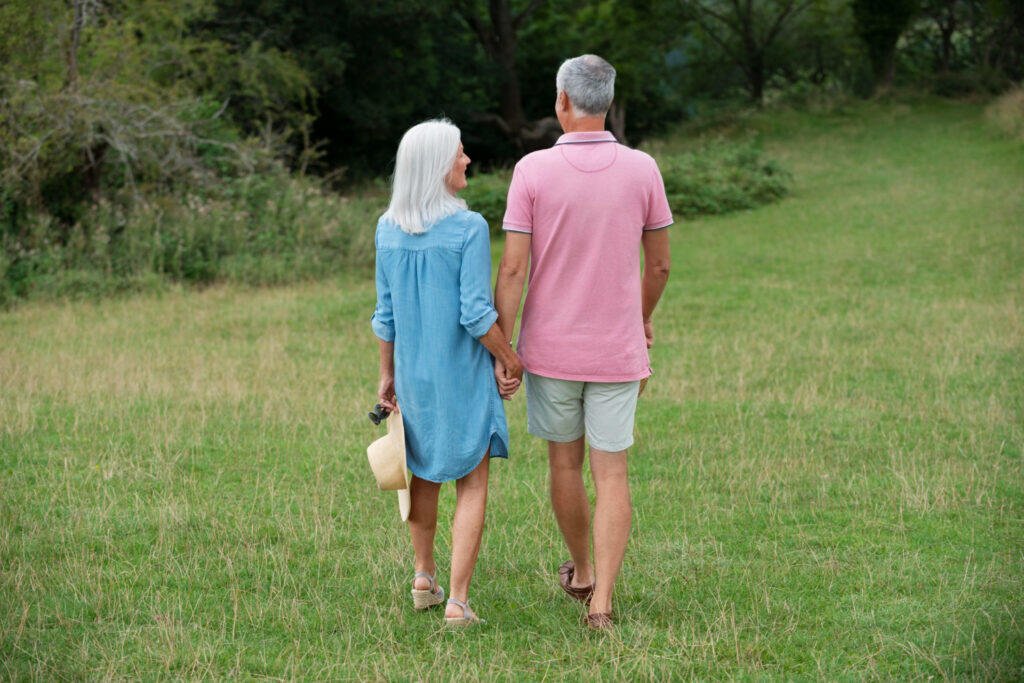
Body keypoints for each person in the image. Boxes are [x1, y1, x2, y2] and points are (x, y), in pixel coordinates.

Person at [493, 55, 672, 630]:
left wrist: (503, 347)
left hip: (551, 350)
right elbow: (661, 267)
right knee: (612, 472)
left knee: (565, 465)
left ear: (562, 101)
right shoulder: (643, 168)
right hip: (619, 351)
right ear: (608, 101)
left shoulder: (532, 172)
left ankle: (583, 569)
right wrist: (639, 320)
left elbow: (515, 271)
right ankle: (602, 605)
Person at [371, 119, 523, 626]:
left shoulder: (387, 228)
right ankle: (457, 601)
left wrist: (386, 377)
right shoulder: (469, 228)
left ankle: (422, 576)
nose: (467, 160)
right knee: (472, 482)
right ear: (438, 166)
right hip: (461, 373)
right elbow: (476, 314)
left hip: (415, 376)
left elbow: (384, 315)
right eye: (460, 153)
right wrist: (510, 358)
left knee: (424, 478)